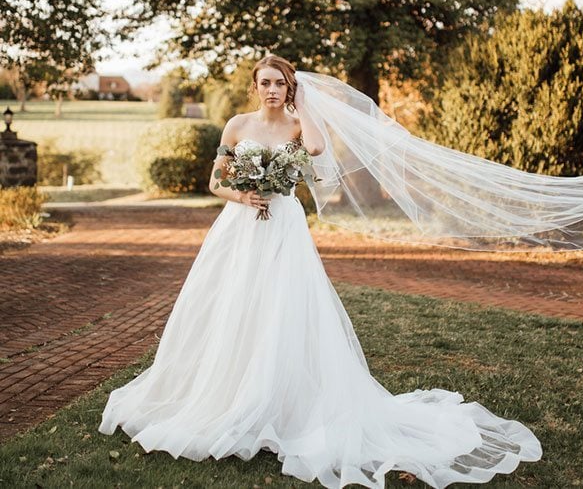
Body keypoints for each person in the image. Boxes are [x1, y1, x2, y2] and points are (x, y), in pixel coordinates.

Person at [98, 54, 543, 489]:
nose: (272, 91)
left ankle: (282, 399)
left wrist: (304, 105)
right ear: (254, 87)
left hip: (284, 227)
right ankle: (230, 393)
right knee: (235, 303)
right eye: (266, 83)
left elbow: (315, 148)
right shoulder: (236, 125)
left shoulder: (296, 124)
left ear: (289, 88)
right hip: (240, 226)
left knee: (283, 305)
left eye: (280, 84)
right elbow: (216, 181)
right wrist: (243, 197)